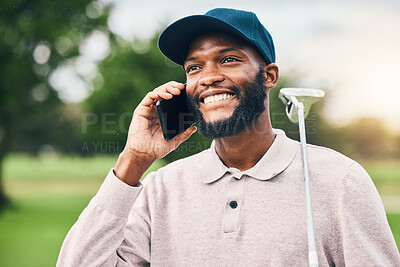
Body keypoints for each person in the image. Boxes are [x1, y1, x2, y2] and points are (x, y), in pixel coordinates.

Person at [57, 8, 400, 266]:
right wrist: (135, 160)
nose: (208, 77)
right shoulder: (161, 188)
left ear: (268, 76)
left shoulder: (339, 180)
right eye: (194, 67)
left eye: (229, 59)